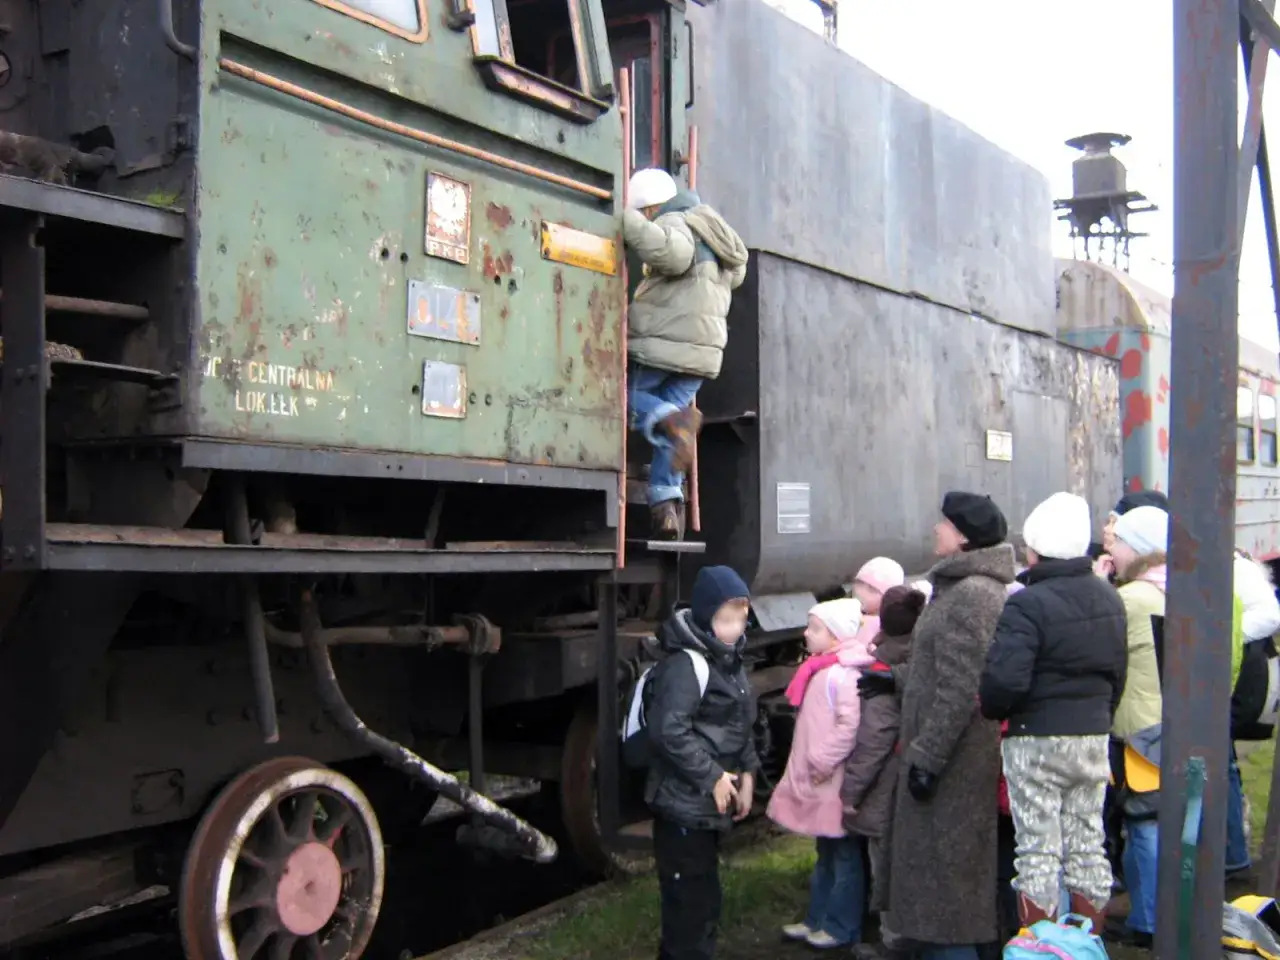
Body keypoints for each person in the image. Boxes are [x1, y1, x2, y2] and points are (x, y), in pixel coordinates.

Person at [978, 492, 1128, 930]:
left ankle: (1041, 947)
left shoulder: (1026, 603)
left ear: (1036, 548)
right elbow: (1117, 671)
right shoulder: (1108, 597)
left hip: (1035, 738)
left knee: (1038, 852)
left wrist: (994, 709)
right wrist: (1099, 715)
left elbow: (1004, 680)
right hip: (1092, 736)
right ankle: (1088, 944)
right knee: (1087, 845)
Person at [888, 492, 1016, 960]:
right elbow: (939, 668)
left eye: (943, 523)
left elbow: (962, 688)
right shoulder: (963, 589)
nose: (935, 529)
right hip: (950, 755)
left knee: (951, 881)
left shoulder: (973, 595)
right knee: (942, 878)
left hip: (956, 761)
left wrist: (928, 757)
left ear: (963, 537)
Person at [622, 168, 749, 540]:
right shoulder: (716, 233)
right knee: (675, 425)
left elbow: (674, 256)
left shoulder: (677, 222)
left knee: (626, 402)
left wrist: (622, 215)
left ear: (651, 207)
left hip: (664, 346)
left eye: (644, 213)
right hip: (703, 355)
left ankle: (673, 422)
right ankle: (666, 503)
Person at [644, 565, 760, 960]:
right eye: (726, 620)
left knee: (703, 903)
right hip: (682, 805)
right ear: (706, 616)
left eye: (741, 620)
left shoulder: (729, 659)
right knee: (688, 913)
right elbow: (668, 731)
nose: (734, 629)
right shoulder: (685, 665)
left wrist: (747, 774)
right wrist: (712, 776)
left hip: (705, 805)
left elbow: (739, 723)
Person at [770, 598, 875, 949]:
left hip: (831, 780)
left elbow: (849, 726)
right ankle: (817, 918)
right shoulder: (822, 670)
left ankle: (840, 925)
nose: (805, 633)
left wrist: (822, 761)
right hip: (823, 780)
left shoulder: (841, 675)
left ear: (835, 636)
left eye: (814, 628)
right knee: (826, 852)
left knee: (843, 856)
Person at [840, 585, 927, 959]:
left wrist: (850, 793)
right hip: (916, 776)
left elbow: (875, 738)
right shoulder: (924, 658)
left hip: (886, 784)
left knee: (887, 862)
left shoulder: (883, 668)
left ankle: (895, 941)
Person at [1102, 505, 1168, 947]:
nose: (1112, 546)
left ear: (1140, 547)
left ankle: (1147, 922)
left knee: (1143, 825)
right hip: (1165, 722)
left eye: (1120, 540)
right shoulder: (1172, 588)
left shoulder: (1132, 598)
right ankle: (1157, 915)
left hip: (1136, 732)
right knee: (1160, 823)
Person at [851, 557, 907, 648]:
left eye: (872, 590)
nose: (860, 592)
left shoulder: (876, 625)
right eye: (859, 583)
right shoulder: (848, 613)